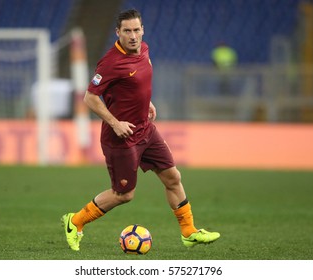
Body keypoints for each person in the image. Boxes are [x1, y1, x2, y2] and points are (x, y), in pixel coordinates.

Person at [61, 9, 220, 251]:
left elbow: (140, 81)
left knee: (173, 177)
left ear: (142, 30)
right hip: (121, 139)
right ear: (118, 33)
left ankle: (189, 232)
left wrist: (148, 103)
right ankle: (75, 222)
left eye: (136, 30)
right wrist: (115, 123)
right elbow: (90, 98)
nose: (133, 35)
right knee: (124, 195)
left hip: (146, 130)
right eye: (127, 31)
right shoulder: (111, 62)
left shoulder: (144, 49)